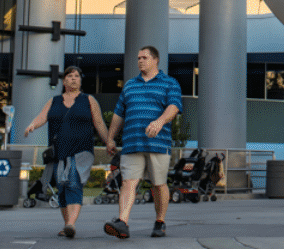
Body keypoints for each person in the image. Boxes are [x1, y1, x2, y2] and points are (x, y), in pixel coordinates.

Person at [22, 67, 111, 239]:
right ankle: (67, 224)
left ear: (80, 81)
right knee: (62, 187)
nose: (73, 79)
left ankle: (71, 223)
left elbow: (99, 123)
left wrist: (109, 142)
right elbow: (42, 116)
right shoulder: (54, 100)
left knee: (73, 181)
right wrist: (32, 125)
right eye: (70, 76)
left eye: (77, 76)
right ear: (64, 81)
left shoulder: (88, 100)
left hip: (82, 150)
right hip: (59, 151)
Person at [103, 46, 181, 240]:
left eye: (144, 57)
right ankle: (122, 222)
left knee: (158, 184)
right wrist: (111, 137)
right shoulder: (130, 85)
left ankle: (160, 221)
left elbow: (174, 107)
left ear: (156, 60)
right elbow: (119, 113)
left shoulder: (169, 83)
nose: (140, 61)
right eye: (138, 58)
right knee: (129, 182)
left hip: (158, 144)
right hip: (131, 143)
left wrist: (159, 121)